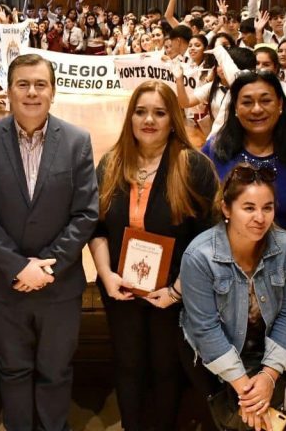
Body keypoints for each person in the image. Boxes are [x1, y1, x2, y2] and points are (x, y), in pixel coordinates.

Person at [0, 53, 98, 431]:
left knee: (56, 372)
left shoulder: (76, 141)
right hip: (4, 284)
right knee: (12, 371)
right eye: (22, 84)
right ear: (8, 91)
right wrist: (18, 266)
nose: (31, 92)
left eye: (40, 84)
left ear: (53, 92)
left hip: (59, 285)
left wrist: (46, 266)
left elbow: (85, 213)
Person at [89, 80, 218, 430]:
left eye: (159, 113)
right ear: (130, 117)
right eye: (141, 112)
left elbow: (209, 238)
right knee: (128, 365)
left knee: (165, 368)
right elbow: (97, 228)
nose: (149, 120)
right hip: (121, 287)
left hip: (174, 293)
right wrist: (106, 274)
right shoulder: (111, 164)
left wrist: (177, 289)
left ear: (172, 118)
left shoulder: (194, 166)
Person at [180, 163, 286, 431]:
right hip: (214, 356)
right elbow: (205, 329)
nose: (259, 217)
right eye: (248, 208)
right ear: (226, 209)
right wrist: (247, 392)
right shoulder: (198, 256)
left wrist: (268, 377)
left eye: (267, 208)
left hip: (266, 348)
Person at [203, 70, 286, 232]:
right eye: (247, 102)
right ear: (235, 108)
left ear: (280, 105)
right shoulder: (215, 149)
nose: (257, 109)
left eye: (265, 101)